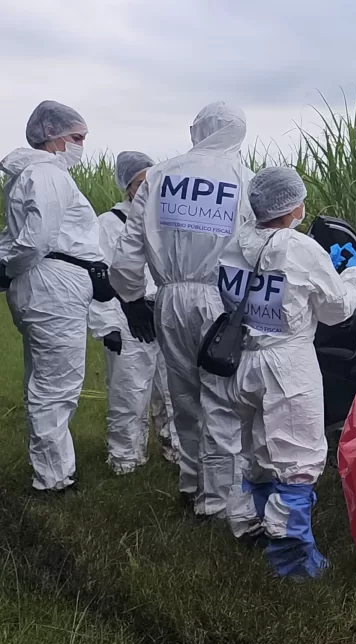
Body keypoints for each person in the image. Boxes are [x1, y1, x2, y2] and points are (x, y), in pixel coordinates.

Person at [109, 102, 256, 520]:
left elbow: (128, 251)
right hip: (223, 301)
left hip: (169, 298)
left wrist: (132, 299)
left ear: (199, 130)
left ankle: (191, 484)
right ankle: (220, 499)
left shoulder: (159, 176)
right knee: (222, 399)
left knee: (184, 397)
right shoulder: (245, 180)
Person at [221, 166, 356, 577]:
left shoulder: (234, 245)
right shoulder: (301, 248)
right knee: (298, 459)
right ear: (292, 207)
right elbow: (337, 310)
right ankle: (292, 557)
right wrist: (354, 273)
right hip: (288, 366)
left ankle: (251, 524)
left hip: (247, 361)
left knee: (258, 451)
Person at [0, 101, 101, 492]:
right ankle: (53, 478)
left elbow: (14, 235)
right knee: (56, 386)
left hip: (43, 283)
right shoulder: (47, 174)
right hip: (53, 285)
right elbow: (36, 239)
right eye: (76, 137)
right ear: (53, 137)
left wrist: (9, 267)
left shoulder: (28, 175)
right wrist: (11, 267)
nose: (80, 145)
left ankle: (51, 468)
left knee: (44, 380)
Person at [88, 151, 181, 474]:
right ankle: (125, 457)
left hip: (163, 314)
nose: (147, 188)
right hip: (126, 317)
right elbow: (99, 277)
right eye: (141, 182)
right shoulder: (107, 224)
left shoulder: (167, 221)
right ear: (127, 186)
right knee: (129, 390)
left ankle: (175, 449)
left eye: (153, 181)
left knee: (171, 389)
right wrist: (108, 324)